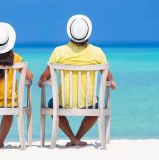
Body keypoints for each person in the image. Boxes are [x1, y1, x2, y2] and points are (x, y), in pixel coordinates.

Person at [38, 15, 117, 147]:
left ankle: (73, 138)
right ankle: (77, 138)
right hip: (89, 103)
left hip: (63, 102)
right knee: (99, 106)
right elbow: (108, 77)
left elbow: (45, 77)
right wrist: (112, 82)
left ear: (70, 33)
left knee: (52, 104)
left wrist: (41, 81)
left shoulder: (59, 52)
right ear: (88, 34)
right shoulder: (97, 52)